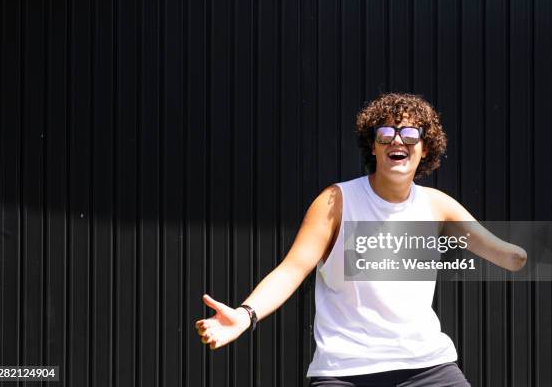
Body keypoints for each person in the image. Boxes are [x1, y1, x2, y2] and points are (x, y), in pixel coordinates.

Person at [194, 92, 527, 386]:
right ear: (374, 145)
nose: (398, 141)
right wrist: (245, 314)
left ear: (425, 149)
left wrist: (548, 251)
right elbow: (291, 270)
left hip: (426, 367)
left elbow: (507, 255)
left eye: (410, 134)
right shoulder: (337, 201)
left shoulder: (436, 205)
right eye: (386, 133)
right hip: (346, 371)